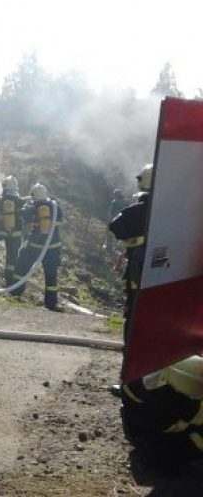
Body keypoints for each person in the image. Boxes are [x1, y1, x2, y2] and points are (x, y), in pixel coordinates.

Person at [121, 354, 203, 468]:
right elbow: (196, 417)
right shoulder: (178, 401)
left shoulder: (153, 375)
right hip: (152, 441)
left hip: (139, 423)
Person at [108, 164, 152, 344]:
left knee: (134, 310)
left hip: (138, 267)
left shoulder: (138, 210)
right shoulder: (172, 210)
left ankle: (131, 352)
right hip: (164, 270)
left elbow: (116, 227)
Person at [10, 183, 64, 310]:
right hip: (53, 247)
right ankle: (51, 303)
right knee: (51, 275)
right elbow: (59, 220)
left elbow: (22, 214)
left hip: (35, 246)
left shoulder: (33, 207)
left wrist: (22, 205)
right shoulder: (56, 207)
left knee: (22, 267)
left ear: (34, 195)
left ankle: (15, 293)